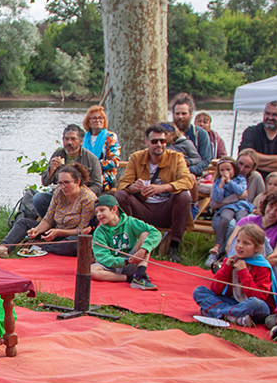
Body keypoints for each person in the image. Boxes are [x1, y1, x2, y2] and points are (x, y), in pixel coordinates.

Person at [115, 125, 195, 261]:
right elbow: (122, 184)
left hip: (166, 209)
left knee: (183, 196)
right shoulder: (136, 157)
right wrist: (133, 187)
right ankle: (129, 239)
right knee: (120, 195)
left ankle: (174, 246)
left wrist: (164, 188)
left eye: (162, 141)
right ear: (147, 143)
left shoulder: (176, 157)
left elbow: (188, 180)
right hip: (143, 207)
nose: (159, 145)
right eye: (154, 141)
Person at [0, 163, 97, 256]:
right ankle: (3, 247)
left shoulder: (88, 199)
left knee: (74, 244)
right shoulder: (59, 192)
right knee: (23, 222)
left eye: (66, 183)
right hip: (56, 230)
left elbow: (81, 230)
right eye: (60, 183)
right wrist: (37, 230)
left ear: (77, 182)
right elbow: (48, 219)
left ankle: (40, 245)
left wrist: (58, 232)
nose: (63, 187)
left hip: (71, 235)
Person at [193, 224, 277, 327]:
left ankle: (216, 312)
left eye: (246, 243)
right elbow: (216, 290)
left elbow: (259, 296)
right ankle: (232, 317)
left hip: (253, 307)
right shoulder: (231, 260)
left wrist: (244, 272)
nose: (239, 246)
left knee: (256, 303)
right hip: (234, 302)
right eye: (238, 241)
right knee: (199, 291)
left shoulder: (262, 266)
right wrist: (226, 268)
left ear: (257, 248)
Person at [88, 194, 162, 290]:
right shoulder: (99, 232)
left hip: (132, 260)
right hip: (112, 266)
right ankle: (129, 278)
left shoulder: (130, 222)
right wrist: (125, 261)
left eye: (102, 210)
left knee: (145, 234)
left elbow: (155, 232)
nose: (98, 215)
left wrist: (143, 249)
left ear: (114, 209)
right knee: (91, 271)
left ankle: (140, 275)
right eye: (96, 212)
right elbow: (103, 257)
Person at [34, 123, 104, 213]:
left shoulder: (91, 159)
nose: (69, 142)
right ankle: (54, 224)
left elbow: (97, 186)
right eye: (66, 139)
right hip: (59, 197)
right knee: (38, 199)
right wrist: (52, 169)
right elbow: (45, 182)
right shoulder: (57, 155)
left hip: (82, 199)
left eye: (73, 139)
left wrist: (78, 193)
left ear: (81, 141)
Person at [224, 190, 277, 269]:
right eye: (271, 206)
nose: (272, 212)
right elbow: (230, 246)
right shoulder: (246, 221)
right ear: (265, 205)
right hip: (238, 263)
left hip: (265, 268)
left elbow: (276, 257)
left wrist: (254, 268)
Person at [203, 157, 251, 268]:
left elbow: (240, 191)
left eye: (228, 169)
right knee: (226, 219)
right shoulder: (218, 182)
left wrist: (229, 182)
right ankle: (218, 248)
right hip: (227, 208)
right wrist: (221, 186)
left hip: (241, 207)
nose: (226, 173)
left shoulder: (240, 179)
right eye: (222, 170)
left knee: (241, 223)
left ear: (234, 169)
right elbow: (217, 200)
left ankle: (237, 252)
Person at [239, 101, 277, 174]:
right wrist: (276, 158)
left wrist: (253, 164)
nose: (270, 117)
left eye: (275, 115)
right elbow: (244, 157)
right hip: (252, 178)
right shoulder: (251, 132)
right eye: (267, 113)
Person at [81, 104, 121, 191]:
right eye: (94, 118)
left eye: (100, 118)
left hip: (104, 179)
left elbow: (115, 161)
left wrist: (94, 165)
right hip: (84, 177)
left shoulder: (111, 137)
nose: (97, 120)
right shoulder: (83, 138)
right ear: (88, 121)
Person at [170, 92, 212, 172]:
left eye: (184, 114)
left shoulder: (201, 134)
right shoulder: (165, 133)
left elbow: (205, 160)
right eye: (177, 114)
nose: (180, 117)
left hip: (192, 173)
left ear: (191, 114)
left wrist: (187, 171)